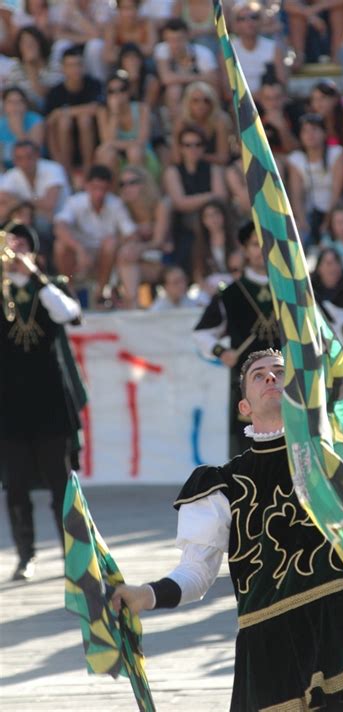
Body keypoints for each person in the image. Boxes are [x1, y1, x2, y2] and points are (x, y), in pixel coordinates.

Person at [112, 302, 343, 711]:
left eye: (280, 373)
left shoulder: (328, 456)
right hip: (266, 637)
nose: (270, 377)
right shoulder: (220, 483)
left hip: (333, 622)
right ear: (244, 406)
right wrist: (146, 595)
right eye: (258, 375)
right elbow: (196, 574)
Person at [0, 223, 84, 581]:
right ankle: (25, 556)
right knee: (15, 485)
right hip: (9, 402)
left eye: (22, 246)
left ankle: (73, 554)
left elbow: (68, 314)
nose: (15, 253)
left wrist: (35, 275)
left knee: (59, 483)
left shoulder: (52, 287)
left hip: (49, 399)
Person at [193, 221, 280, 456]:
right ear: (245, 250)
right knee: (248, 448)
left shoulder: (288, 290)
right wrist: (222, 352)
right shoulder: (230, 293)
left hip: (286, 382)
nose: (260, 250)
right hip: (247, 382)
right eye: (254, 244)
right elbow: (201, 333)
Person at [53, 164, 136, 306]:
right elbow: (59, 227)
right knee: (60, 246)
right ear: (87, 186)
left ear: (109, 188)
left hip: (104, 256)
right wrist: (79, 250)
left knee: (110, 243)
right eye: (95, 188)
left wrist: (115, 244)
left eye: (102, 189)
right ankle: (69, 291)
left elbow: (130, 234)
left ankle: (101, 292)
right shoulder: (75, 202)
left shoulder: (116, 204)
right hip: (79, 254)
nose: (99, 194)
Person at [164, 124, 227, 277]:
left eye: (198, 144)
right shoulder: (172, 171)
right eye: (187, 145)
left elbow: (222, 198)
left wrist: (195, 202)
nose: (193, 149)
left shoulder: (213, 169)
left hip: (212, 223)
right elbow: (180, 203)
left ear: (204, 147)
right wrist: (209, 196)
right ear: (180, 148)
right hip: (184, 229)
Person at [0, 140, 70, 264]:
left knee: (36, 222)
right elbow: (3, 202)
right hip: (33, 219)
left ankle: (43, 265)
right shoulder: (12, 175)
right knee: (18, 220)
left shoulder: (53, 169)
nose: (25, 162)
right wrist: (25, 207)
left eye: (28, 157)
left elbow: (49, 204)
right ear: (14, 160)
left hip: (60, 222)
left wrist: (21, 202)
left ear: (37, 156)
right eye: (20, 158)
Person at [287, 113, 343, 247]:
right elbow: (296, 196)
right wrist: (302, 222)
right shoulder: (295, 159)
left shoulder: (336, 153)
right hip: (309, 213)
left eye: (314, 130)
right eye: (305, 131)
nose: (310, 135)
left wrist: (328, 221)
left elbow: (337, 191)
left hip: (335, 210)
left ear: (324, 133)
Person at [45, 45, 103, 180]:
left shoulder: (93, 85)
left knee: (84, 120)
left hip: (92, 142)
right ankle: (66, 172)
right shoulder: (55, 93)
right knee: (64, 122)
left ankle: (88, 171)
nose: (75, 69)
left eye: (78, 64)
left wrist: (62, 112)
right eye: (70, 65)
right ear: (63, 68)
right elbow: (49, 123)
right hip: (64, 143)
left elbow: (95, 108)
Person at [116, 165, 170, 308]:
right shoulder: (122, 207)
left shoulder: (160, 205)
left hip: (163, 260)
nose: (127, 187)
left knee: (127, 255)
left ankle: (131, 304)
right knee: (126, 257)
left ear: (145, 183)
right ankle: (133, 303)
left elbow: (158, 242)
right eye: (123, 184)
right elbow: (121, 239)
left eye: (132, 182)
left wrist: (139, 247)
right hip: (133, 261)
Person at [96, 72, 161, 184]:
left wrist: (116, 144)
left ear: (128, 91)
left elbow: (142, 141)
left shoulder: (142, 108)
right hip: (118, 159)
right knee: (107, 154)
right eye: (112, 91)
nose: (117, 95)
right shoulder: (103, 112)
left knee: (134, 152)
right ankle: (114, 196)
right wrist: (115, 113)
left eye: (122, 89)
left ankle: (139, 193)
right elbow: (106, 141)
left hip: (143, 157)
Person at [154, 18, 219, 120]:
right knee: (173, 91)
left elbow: (213, 80)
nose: (175, 45)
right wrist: (199, 77)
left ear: (188, 37)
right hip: (178, 94)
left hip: (199, 93)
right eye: (170, 40)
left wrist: (179, 78)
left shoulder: (203, 53)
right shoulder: (162, 49)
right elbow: (166, 78)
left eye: (179, 39)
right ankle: (177, 125)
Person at [228, 1, 287, 97]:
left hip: (269, 102)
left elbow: (282, 84)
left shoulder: (274, 48)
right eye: (242, 18)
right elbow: (227, 91)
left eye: (254, 17)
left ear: (261, 20)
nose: (249, 22)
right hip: (239, 106)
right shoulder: (228, 50)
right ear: (235, 23)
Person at [171, 80, 233, 165]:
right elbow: (176, 158)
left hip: (215, 169)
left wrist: (195, 156)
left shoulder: (220, 121)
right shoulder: (181, 122)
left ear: (212, 103)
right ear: (188, 103)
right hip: (187, 169)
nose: (201, 105)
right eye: (195, 101)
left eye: (206, 101)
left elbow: (223, 158)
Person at [308, 80, 343, 158]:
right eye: (315, 99)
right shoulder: (311, 120)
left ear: (335, 99)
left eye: (323, 98)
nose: (318, 104)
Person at [0, 86, 45, 171]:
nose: (15, 106)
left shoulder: (35, 120)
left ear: (25, 104)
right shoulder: (1, 123)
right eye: (10, 102)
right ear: (4, 105)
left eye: (19, 102)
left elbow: (34, 152)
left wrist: (18, 130)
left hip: (34, 167)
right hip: (7, 170)